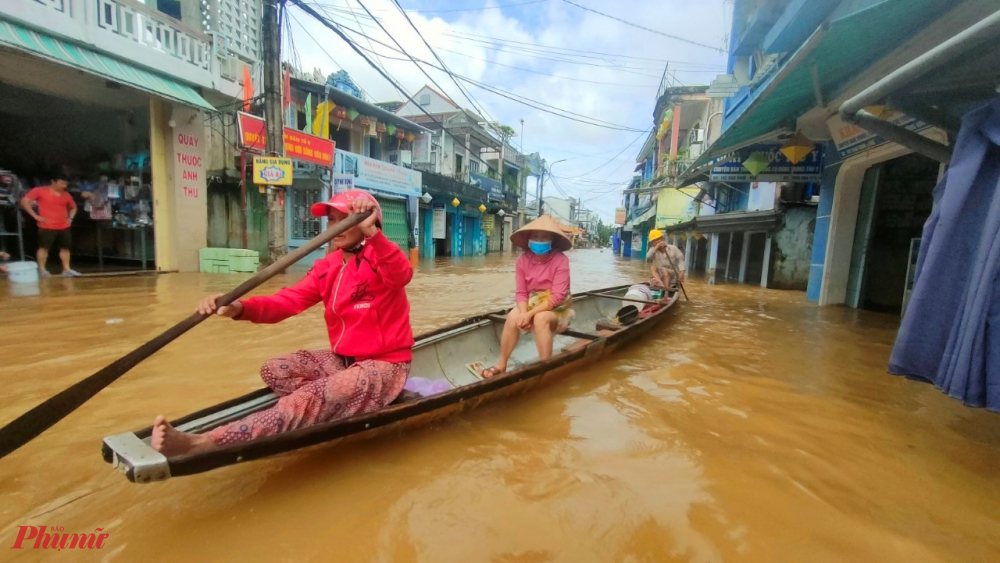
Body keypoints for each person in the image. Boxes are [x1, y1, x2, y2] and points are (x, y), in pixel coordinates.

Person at [151, 189, 415, 456]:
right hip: (344, 360)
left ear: (368, 223)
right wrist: (239, 308)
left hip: (385, 367)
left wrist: (373, 234)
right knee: (274, 369)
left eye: (344, 219)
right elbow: (287, 301)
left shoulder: (381, 257)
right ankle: (324, 404)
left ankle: (206, 442)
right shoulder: (328, 267)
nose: (336, 227)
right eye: (332, 221)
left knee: (307, 397)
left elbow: (401, 275)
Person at [480, 215, 573, 378]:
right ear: (529, 239)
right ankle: (502, 364)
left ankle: (545, 368)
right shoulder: (522, 261)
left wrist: (530, 314)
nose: (539, 240)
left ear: (552, 240)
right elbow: (521, 293)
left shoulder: (560, 260)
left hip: (559, 307)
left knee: (540, 319)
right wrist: (524, 314)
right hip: (533, 302)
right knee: (512, 317)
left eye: (544, 237)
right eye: (535, 236)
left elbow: (558, 296)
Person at [21, 174, 80, 277]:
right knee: (44, 247)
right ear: (53, 181)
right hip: (46, 225)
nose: (64, 186)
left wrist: (70, 218)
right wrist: (35, 216)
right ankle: (42, 269)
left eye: (66, 184)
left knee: (65, 247)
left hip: (63, 225)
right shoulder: (40, 190)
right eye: (62, 183)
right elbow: (25, 201)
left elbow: (73, 207)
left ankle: (66, 269)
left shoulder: (66, 195)